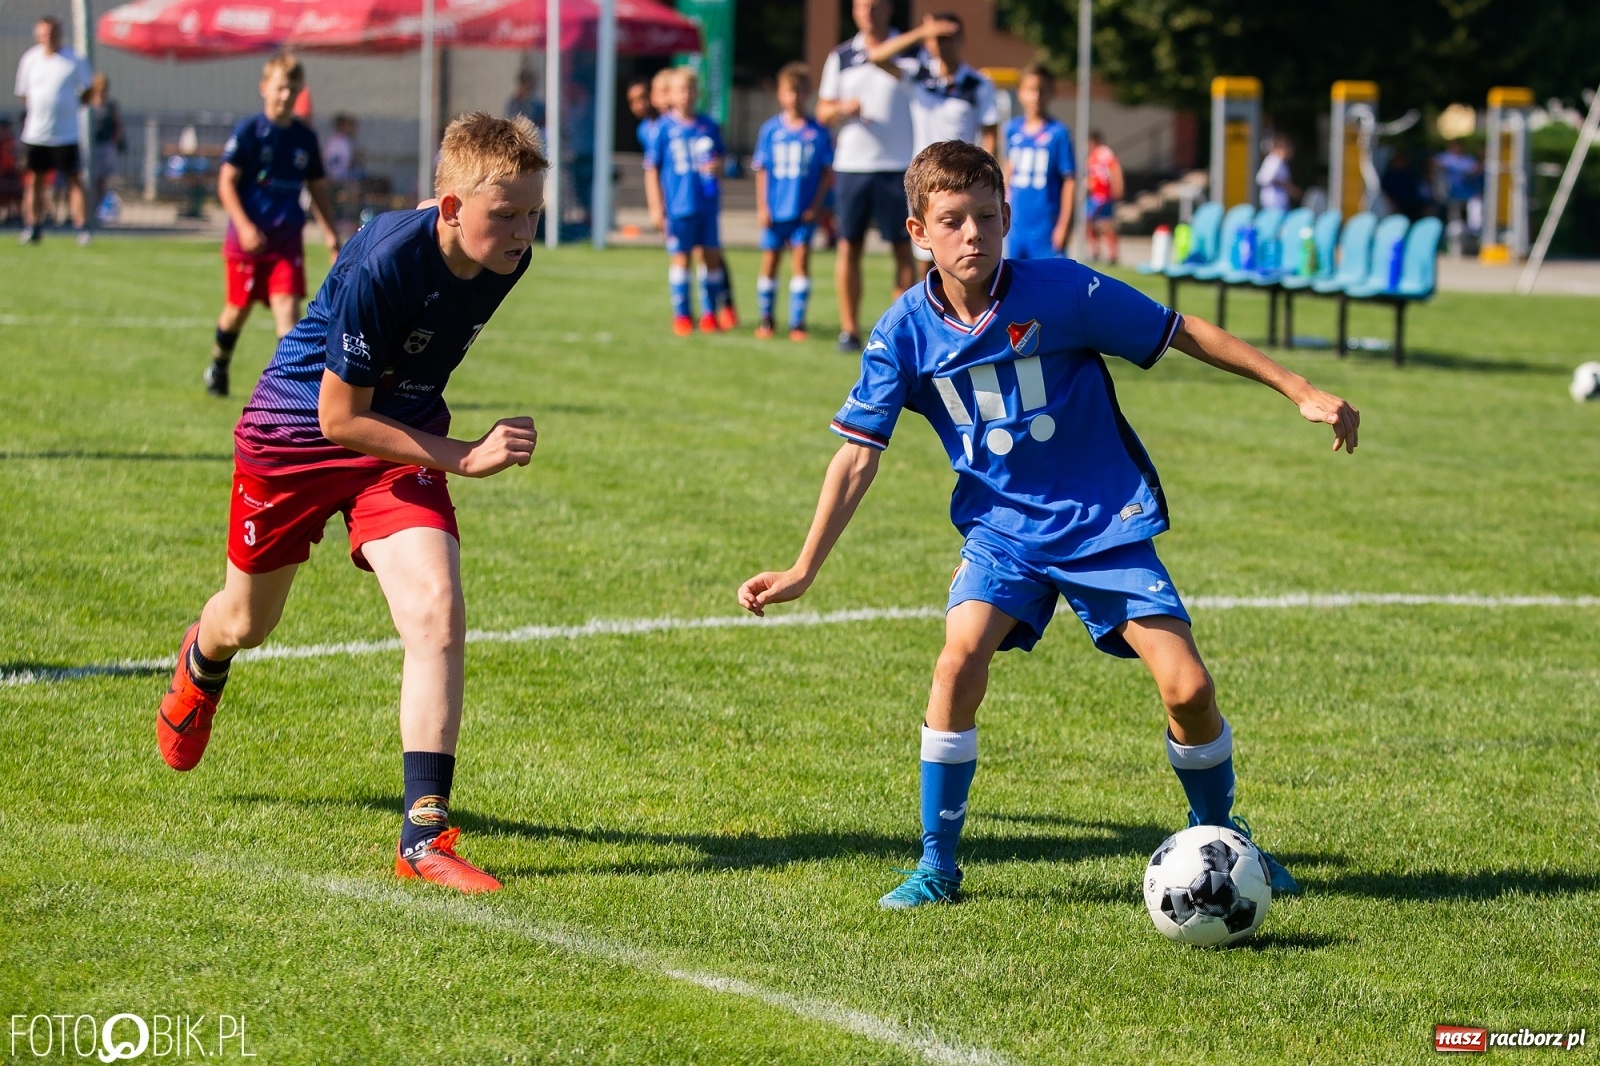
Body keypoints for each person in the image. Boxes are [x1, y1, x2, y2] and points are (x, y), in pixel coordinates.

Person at [737, 140, 1360, 910]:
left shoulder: (1062, 291)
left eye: (987, 219)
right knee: (957, 660)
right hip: (1003, 535)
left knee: (1189, 688)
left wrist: (1298, 388)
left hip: (1103, 523)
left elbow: (1178, 330)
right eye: (953, 221)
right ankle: (937, 865)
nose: (973, 236)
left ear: (1008, 219)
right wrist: (803, 569)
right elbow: (857, 458)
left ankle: (1223, 842)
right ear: (917, 232)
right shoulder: (902, 333)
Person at [155, 112, 548, 896]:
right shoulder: (384, 260)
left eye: (533, 212)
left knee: (437, 609)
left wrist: (436, 445)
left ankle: (424, 834)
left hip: (395, 442)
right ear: (449, 209)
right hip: (295, 439)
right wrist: (464, 455)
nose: (521, 231)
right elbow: (339, 417)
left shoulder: (508, 257)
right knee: (248, 623)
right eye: (505, 214)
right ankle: (203, 660)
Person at [205, 54, 341, 399]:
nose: (286, 96)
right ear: (265, 88)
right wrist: (244, 225)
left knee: (288, 312)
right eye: (280, 88)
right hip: (246, 242)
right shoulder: (250, 132)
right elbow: (226, 183)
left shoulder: (304, 138)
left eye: (293, 90)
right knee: (236, 311)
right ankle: (219, 366)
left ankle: (288, 389)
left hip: (285, 241)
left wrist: (330, 236)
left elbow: (317, 189)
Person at [817, 0, 919, 354]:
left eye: (874, 6)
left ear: (889, 9)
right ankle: (849, 330)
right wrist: (842, 109)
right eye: (861, 6)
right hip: (852, 165)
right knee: (849, 245)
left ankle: (901, 332)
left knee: (902, 248)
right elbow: (823, 110)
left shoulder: (909, 51)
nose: (867, 13)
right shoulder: (842, 55)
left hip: (898, 166)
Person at [643, 66, 733, 335]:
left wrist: (718, 167)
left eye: (691, 89)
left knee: (711, 257)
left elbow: (723, 160)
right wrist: (656, 207)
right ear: (670, 94)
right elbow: (652, 169)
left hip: (706, 204)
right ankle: (682, 315)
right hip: (678, 206)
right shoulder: (663, 129)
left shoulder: (709, 126)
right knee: (681, 258)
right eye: (681, 90)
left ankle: (710, 314)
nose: (686, 95)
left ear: (698, 93)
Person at [751, 62, 833, 341]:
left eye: (799, 91)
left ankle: (797, 323)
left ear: (807, 93)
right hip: (775, 211)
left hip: (803, 211)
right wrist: (762, 206)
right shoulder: (770, 130)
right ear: (780, 94)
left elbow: (826, 173)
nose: (794, 97)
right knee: (770, 261)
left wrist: (817, 205)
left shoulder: (818, 132)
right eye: (789, 91)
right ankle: (766, 319)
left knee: (801, 262)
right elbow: (761, 170)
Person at [13, 16, 92, 246]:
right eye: (44, 33)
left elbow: (86, 91)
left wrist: (67, 107)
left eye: (53, 33)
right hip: (36, 133)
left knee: (75, 180)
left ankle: (83, 228)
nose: (49, 37)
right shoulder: (30, 59)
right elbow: (24, 93)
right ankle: (33, 226)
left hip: (66, 134)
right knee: (35, 181)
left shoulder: (74, 60)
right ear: (38, 35)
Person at [1003, 64, 1075, 260]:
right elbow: (1008, 170)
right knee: (1015, 282)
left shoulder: (1058, 133)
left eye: (1041, 90)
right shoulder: (1011, 130)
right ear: (1020, 93)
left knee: (1051, 283)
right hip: (1017, 223)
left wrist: (1064, 224)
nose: (1036, 96)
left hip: (1046, 226)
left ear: (1051, 93)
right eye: (1030, 90)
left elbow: (1069, 180)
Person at [1083, 130, 1123, 263]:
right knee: (1092, 223)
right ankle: (1097, 251)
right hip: (1096, 195)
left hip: (1102, 196)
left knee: (1101, 223)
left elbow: (1114, 169)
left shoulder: (1104, 152)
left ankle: (1111, 254)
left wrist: (1118, 187)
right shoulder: (1092, 156)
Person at [88, 73, 123, 217]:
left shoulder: (110, 106)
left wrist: (115, 141)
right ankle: (86, 210)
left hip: (106, 146)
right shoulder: (88, 103)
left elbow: (117, 125)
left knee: (102, 181)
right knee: (89, 180)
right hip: (91, 147)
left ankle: (97, 211)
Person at [1255, 134, 1297, 211]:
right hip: (1274, 202)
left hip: (1279, 202)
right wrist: (1284, 185)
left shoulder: (1281, 161)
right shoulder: (1275, 160)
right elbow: (1262, 179)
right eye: (1289, 148)